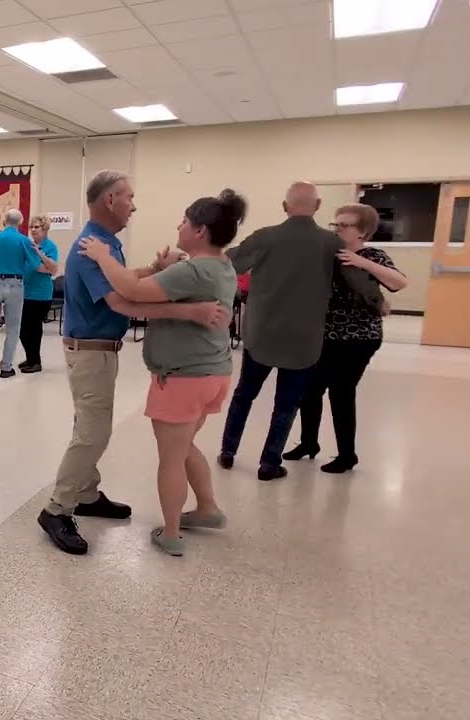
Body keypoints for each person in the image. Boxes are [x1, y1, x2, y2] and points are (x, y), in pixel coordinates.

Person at [38, 171, 229, 556]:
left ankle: (87, 493)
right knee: (93, 432)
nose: (134, 205)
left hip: (101, 347)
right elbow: (122, 301)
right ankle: (57, 509)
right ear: (110, 200)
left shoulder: (107, 244)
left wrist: (154, 271)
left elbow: (125, 281)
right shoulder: (91, 247)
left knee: (89, 425)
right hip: (90, 349)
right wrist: (189, 311)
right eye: (129, 197)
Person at [80, 189, 247, 556]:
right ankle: (207, 509)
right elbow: (172, 291)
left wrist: (104, 257)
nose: (179, 226)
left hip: (183, 377)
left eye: (184, 221)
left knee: (171, 457)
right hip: (213, 374)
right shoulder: (221, 265)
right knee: (185, 446)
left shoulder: (193, 270)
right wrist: (165, 266)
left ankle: (170, 533)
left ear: (200, 230)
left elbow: (132, 289)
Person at [218, 182, 384, 480]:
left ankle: (228, 452)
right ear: (318, 207)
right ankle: (269, 464)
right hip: (304, 342)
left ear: (285, 207)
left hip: (261, 336)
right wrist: (379, 302)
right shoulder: (330, 243)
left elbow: (229, 262)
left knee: (244, 395)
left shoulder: (265, 237)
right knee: (286, 405)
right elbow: (359, 281)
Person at [285, 203, 406, 474]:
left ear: (362, 232)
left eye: (345, 225)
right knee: (309, 390)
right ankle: (308, 443)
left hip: (359, 338)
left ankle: (347, 455)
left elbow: (399, 282)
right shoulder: (329, 255)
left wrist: (362, 262)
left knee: (341, 392)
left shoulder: (374, 255)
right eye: (335, 224)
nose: (337, 229)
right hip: (325, 336)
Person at [0, 208, 40, 378]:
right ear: (20, 222)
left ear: (4, 221)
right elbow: (36, 265)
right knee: (13, 328)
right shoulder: (24, 241)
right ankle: (6, 367)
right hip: (15, 285)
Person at [19, 214, 59, 374]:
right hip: (25, 293)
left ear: (45, 229)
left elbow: (53, 268)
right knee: (23, 331)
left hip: (41, 296)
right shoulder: (27, 245)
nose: (33, 230)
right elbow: (39, 268)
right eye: (32, 227)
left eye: (37, 227)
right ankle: (31, 358)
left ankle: (35, 362)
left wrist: (39, 254)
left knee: (33, 330)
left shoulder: (50, 247)